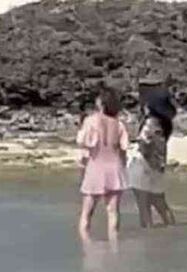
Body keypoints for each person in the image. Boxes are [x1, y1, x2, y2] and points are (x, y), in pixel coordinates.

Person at [76, 87, 130, 242]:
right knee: (113, 212)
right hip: (115, 168)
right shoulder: (119, 124)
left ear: (101, 103)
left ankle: (87, 247)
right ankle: (114, 248)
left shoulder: (91, 121)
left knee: (86, 213)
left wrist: (82, 163)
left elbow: (83, 143)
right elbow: (123, 149)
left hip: (96, 168)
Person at [128, 89, 177, 227]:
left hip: (143, 166)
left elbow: (145, 144)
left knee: (144, 209)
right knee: (162, 205)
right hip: (158, 167)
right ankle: (172, 231)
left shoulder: (150, 123)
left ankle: (148, 240)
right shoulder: (166, 124)